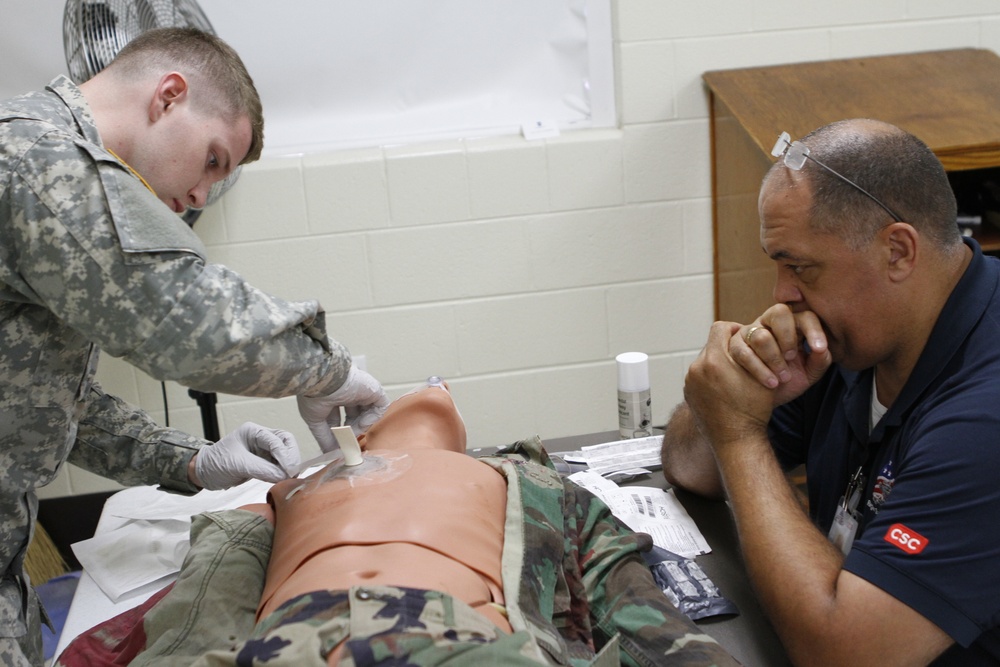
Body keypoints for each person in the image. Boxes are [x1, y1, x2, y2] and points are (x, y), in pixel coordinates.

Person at [0, 27, 389, 665]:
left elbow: (46, 402)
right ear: (169, 96)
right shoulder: (34, 158)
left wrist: (192, 463)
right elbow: (184, 320)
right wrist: (330, 372)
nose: (201, 197)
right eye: (213, 160)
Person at [56, 381, 739, 667]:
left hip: (460, 644)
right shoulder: (284, 490)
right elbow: (198, 600)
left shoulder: (522, 476)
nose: (434, 387)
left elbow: (633, 599)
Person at [660, 118, 1000, 665]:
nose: (782, 296)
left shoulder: (984, 420)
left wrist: (740, 436)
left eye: (802, 269)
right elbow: (690, 469)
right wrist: (734, 393)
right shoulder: (861, 338)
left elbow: (846, 654)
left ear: (898, 252)